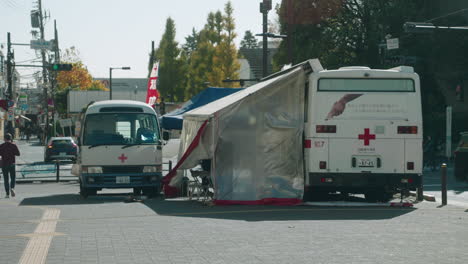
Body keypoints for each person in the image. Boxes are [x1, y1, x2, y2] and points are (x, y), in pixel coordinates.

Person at [0, 133, 20, 198]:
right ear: (11, 138)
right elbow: (18, 154)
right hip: (12, 164)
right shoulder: (13, 145)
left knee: (6, 179)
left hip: (4, 164)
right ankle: (12, 188)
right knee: (13, 178)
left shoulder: (1, 146)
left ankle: (7, 194)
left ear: (4, 139)